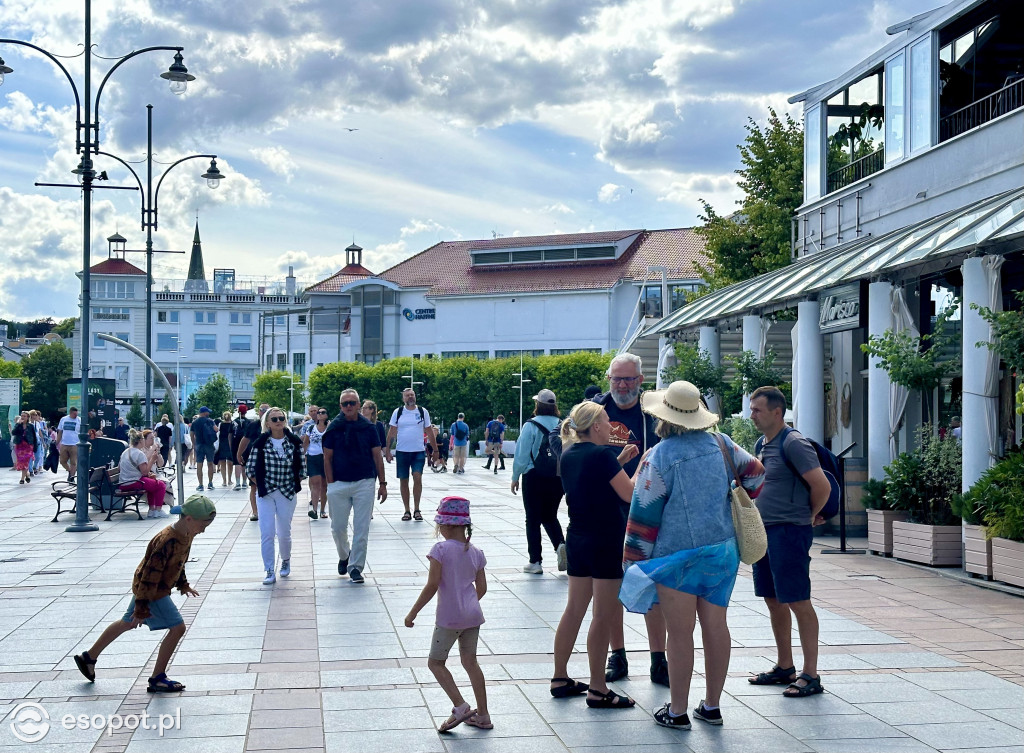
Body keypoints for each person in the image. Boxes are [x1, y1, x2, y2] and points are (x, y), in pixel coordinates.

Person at [620, 381, 765, 730]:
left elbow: (644, 514)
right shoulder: (722, 443)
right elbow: (756, 474)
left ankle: (677, 711)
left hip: (677, 556)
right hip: (722, 551)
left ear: (664, 417)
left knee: (679, 632)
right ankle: (712, 706)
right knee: (716, 625)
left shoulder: (659, 456)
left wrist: (632, 562)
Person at [72, 494, 216, 693]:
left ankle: (88, 657)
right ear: (189, 519)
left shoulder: (186, 534)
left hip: (150, 589)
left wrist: (183, 584)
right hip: (151, 591)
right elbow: (150, 574)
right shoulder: (167, 540)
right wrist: (142, 607)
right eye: (203, 526)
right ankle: (157, 677)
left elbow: (178, 563)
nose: (203, 530)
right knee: (178, 628)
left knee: (127, 622)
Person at [550, 401, 640, 710]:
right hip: (605, 539)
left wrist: (618, 460)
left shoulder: (571, 453)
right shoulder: (602, 455)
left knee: (574, 610)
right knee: (602, 615)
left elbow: (594, 481)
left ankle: (560, 677)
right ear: (596, 427)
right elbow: (629, 493)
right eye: (606, 420)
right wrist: (641, 466)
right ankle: (599, 688)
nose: (612, 425)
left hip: (578, 537)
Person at [747, 386, 832, 698]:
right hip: (764, 532)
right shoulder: (762, 443)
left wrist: (808, 515)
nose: (752, 415)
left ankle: (811, 674)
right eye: (752, 409)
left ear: (777, 412)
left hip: (788, 532)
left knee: (798, 600)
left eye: (757, 409)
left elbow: (820, 485)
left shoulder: (793, 443)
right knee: (773, 599)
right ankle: (786, 666)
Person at [593, 352, 668, 687]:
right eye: (616, 379)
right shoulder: (595, 411)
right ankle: (617, 655)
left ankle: (658, 659)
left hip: (648, 508)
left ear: (640, 380)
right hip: (606, 510)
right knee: (610, 588)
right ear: (609, 379)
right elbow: (564, 441)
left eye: (628, 379)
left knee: (653, 584)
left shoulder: (653, 412)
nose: (622, 385)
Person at [405, 496, 491, 733]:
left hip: (449, 618)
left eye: (440, 523)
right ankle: (483, 715)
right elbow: (481, 588)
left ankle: (461, 706)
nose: (439, 528)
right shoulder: (476, 552)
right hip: (473, 616)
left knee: (435, 662)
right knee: (470, 662)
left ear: (450, 525)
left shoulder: (440, 550)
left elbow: (432, 585)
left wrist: (412, 613)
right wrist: (468, 602)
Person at [324, 389, 388, 583]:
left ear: (359, 405)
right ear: (340, 406)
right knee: (338, 528)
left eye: (352, 403)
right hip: (339, 484)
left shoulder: (369, 428)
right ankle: (345, 555)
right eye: (345, 404)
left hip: (364, 482)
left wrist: (382, 483)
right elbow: (327, 458)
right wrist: (331, 484)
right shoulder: (333, 428)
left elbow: (377, 456)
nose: (349, 406)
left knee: (361, 528)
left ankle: (355, 567)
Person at [245, 407, 306, 585]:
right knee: (267, 532)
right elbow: (250, 468)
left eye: (281, 418)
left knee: (284, 532)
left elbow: (302, 468)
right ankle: (269, 569)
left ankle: (286, 560)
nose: (278, 421)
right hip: (266, 493)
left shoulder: (294, 443)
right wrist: (262, 484)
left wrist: (293, 483)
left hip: (287, 492)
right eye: (274, 419)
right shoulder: (260, 443)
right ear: (267, 423)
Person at [511, 389, 566, 574]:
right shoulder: (563, 424)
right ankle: (561, 545)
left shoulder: (531, 425)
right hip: (558, 477)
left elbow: (521, 453)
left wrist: (515, 477)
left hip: (534, 476)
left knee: (533, 519)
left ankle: (535, 561)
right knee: (550, 515)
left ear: (538, 405)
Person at [385, 388, 436, 522]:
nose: (410, 397)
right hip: (402, 451)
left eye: (412, 395)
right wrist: (388, 450)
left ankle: (417, 509)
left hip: (418, 451)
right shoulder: (398, 412)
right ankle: (407, 510)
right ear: (403, 398)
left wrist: (436, 451)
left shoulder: (422, 411)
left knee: (417, 476)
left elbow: (429, 431)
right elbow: (392, 431)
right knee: (404, 480)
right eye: (407, 396)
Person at [118, 429, 171, 518]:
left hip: (122, 483)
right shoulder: (139, 454)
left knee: (152, 483)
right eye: (143, 439)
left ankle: (151, 510)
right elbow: (145, 472)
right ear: (140, 441)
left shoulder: (125, 452)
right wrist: (153, 459)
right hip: (134, 482)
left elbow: (119, 468)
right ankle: (158, 510)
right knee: (161, 485)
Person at [236, 403, 269, 521]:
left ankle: (268, 510)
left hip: (270, 461)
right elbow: (245, 440)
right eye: (262, 410)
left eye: (267, 410)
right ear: (258, 412)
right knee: (254, 486)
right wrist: (239, 454)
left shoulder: (274, 425)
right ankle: (255, 512)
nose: (264, 412)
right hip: (255, 459)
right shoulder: (253, 425)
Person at [304, 406, 330, 520]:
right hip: (313, 457)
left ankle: (323, 510)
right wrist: (303, 457)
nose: (320, 414)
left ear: (327, 415)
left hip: (325, 458)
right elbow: (305, 443)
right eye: (319, 412)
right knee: (315, 484)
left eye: (323, 412)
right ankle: (314, 509)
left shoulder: (330, 428)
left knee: (324, 485)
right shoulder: (310, 428)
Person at [190, 406, 217, 492]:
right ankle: (210, 483)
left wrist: (194, 444)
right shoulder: (210, 421)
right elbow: (216, 429)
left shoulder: (195, 422)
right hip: (209, 445)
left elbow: (191, 434)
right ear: (204, 413)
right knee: (210, 464)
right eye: (207, 412)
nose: (208, 413)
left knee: (199, 465)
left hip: (199, 444)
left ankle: (200, 484)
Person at [12, 412, 37, 484]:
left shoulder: (31, 426)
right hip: (20, 446)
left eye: (24, 416)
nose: (22, 417)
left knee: (26, 462)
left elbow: (34, 436)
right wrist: (17, 424)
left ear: (28, 417)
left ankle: (22, 479)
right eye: (22, 416)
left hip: (28, 446)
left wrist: (35, 446)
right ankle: (27, 474)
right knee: (21, 462)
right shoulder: (18, 425)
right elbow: (13, 433)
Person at [58, 407, 81, 480]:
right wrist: (57, 442)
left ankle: (71, 477)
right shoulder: (63, 419)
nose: (76, 415)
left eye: (77, 413)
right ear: (70, 413)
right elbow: (60, 431)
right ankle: (70, 471)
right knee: (62, 461)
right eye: (74, 414)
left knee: (73, 462)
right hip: (64, 443)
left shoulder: (79, 420)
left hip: (75, 444)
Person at [231, 405, 251, 491]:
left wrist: (230, 444)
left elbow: (230, 434)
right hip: (246, 444)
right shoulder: (249, 422)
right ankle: (244, 482)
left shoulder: (234, 422)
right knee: (244, 463)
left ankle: (238, 483)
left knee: (237, 463)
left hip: (235, 444)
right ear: (246, 412)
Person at [216, 411, 235, 487]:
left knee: (222, 463)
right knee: (230, 463)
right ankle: (229, 480)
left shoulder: (220, 424)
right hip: (230, 444)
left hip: (222, 444)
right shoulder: (233, 424)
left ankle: (224, 481)